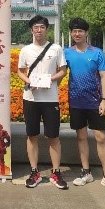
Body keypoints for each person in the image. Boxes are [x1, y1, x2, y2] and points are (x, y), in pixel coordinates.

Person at [64, 17, 105, 193]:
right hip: (76, 101)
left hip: (95, 102)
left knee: (101, 138)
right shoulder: (67, 53)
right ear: (71, 33)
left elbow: (104, 76)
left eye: (80, 31)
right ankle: (86, 172)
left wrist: (104, 99)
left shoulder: (97, 53)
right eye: (74, 31)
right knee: (81, 137)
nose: (77, 34)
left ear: (86, 33)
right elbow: (59, 72)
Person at [17, 15, 68, 189]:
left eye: (42, 27)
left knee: (53, 136)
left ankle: (56, 172)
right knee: (32, 135)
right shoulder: (26, 50)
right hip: (30, 98)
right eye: (36, 27)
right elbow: (20, 71)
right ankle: (34, 172)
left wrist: (51, 79)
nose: (39, 30)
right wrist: (29, 81)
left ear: (47, 29)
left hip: (50, 99)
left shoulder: (56, 49)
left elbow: (63, 70)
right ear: (31, 30)